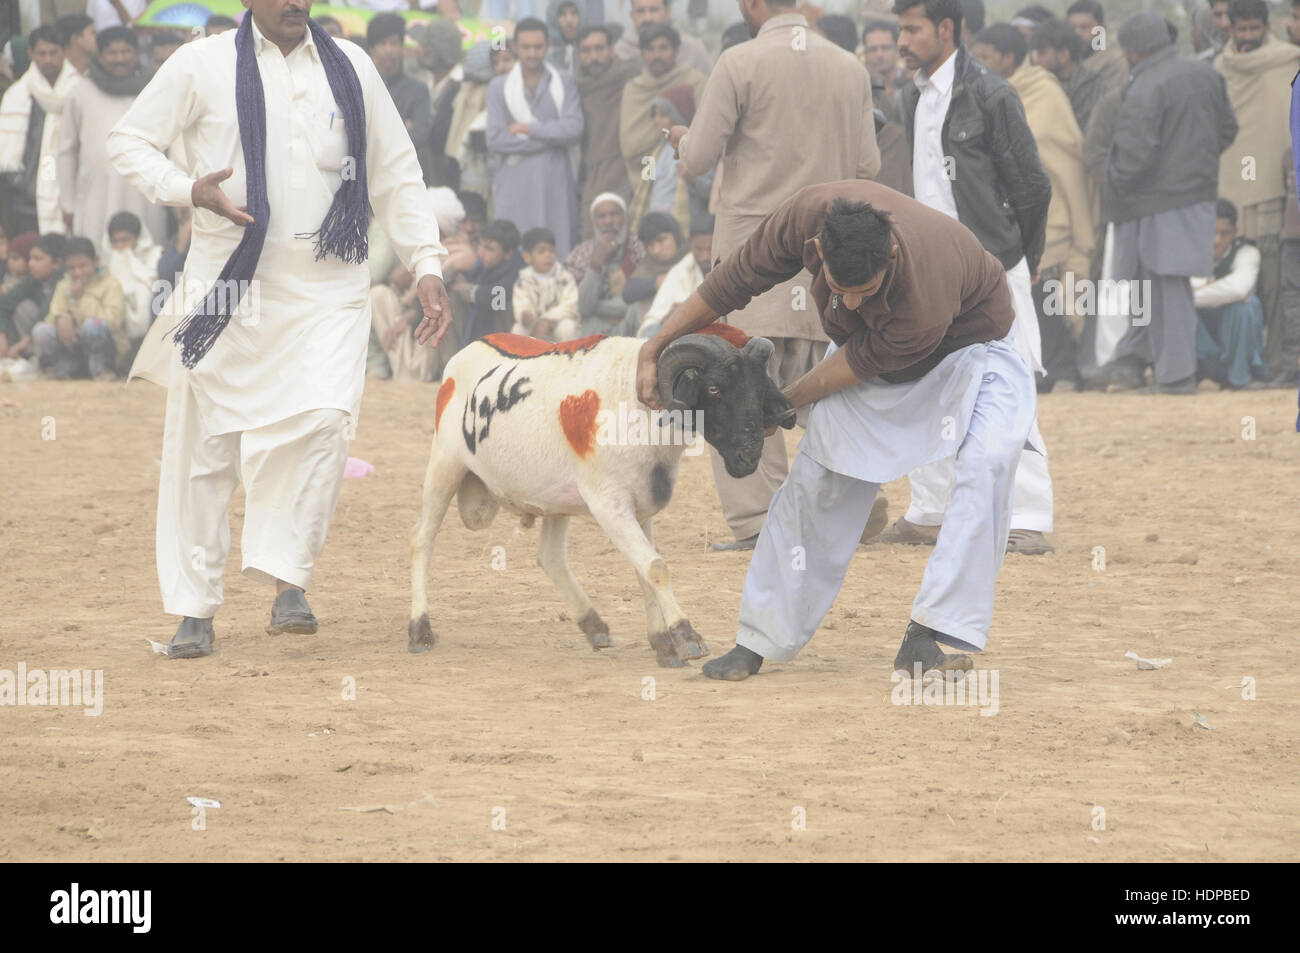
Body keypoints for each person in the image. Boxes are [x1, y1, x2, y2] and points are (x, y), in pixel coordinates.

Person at [106, 1, 453, 659]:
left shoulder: (349, 67)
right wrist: (187, 188)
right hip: (227, 289)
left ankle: (287, 578)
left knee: (324, 422)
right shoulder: (200, 64)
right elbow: (127, 142)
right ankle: (193, 607)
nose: (296, 3)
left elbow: (397, 172)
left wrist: (427, 261)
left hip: (328, 291)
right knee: (207, 451)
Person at [635, 181, 1038, 682]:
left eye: (863, 292)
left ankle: (928, 634)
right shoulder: (804, 216)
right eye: (838, 288)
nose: (846, 300)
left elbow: (860, 364)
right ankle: (757, 639)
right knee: (816, 483)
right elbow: (730, 284)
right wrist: (656, 345)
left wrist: (778, 406)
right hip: (872, 349)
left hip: (973, 353)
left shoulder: (923, 292)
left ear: (890, 256)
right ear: (819, 250)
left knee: (988, 466)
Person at [667, 0, 880, 552]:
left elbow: (698, 159)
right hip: (822, 258)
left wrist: (681, 140)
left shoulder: (739, 62)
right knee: (818, 388)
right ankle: (856, 495)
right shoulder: (849, 67)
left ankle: (759, 521)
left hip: (752, 259)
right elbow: (867, 169)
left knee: (737, 383)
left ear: (752, 5)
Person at [882, 0, 1055, 555]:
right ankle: (931, 511)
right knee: (925, 383)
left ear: (947, 29)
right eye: (900, 28)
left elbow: (1032, 187)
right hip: (927, 271)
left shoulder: (992, 94)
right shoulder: (909, 97)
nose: (902, 40)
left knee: (1012, 381)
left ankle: (1027, 516)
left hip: (993, 269)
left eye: (912, 29)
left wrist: (1013, 259)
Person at [1100, 10, 1238, 394]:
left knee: (1166, 285)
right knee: (1155, 281)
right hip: (1195, 195)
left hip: (1154, 200)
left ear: (1132, 49)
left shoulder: (1146, 84)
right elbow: (1228, 129)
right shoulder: (1206, 74)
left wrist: (1116, 185)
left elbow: (1135, 154)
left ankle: (1176, 377)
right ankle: (1140, 360)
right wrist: (1195, 164)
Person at [973, 22, 1093, 391]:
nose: (979, 62)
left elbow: (1062, 150)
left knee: (1048, 294)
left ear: (1009, 58)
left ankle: (1065, 370)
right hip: (1005, 215)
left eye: (986, 56)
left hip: (1051, 211)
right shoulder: (986, 92)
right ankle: (1033, 373)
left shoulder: (1042, 90)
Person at [1214, 0, 1300, 384]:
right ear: (1229, 28)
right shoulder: (1218, 68)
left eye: (1254, 30)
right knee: (1237, 283)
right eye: (1240, 30)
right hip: (1229, 192)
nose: (1247, 38)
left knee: (1277, 282)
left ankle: (1282, 363)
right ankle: (1243, 365)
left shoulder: (1289, 62)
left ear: (1266, 27)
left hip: (1275, 193)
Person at [58, 26, 168, 252]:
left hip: (145, 193)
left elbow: (173, 141)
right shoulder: (80, 92)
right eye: (112, 52)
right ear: (99, 55)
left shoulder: (154, 89)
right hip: (97, 194)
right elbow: (65, 151)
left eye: (125, 51)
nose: (119, 58)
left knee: (147, 258)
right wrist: (67, 203)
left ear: (136, 54)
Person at [486, 18, 583, 256]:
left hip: (556, 180)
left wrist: (529, 129)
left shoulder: (563, 81)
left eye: (538, 46)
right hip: (514, 183)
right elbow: (496, 139)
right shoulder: (499, 87)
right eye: (525, 47)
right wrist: (551, 139)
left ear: (548, 46)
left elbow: (574, 129)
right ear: (516, 47)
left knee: (557, 248)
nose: (532, 53)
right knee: (517, 250)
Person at [0, 24, 79, 236]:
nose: (48, 59)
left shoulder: (79, 89)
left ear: (64, 51)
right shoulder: (17, 95)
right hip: (27, 191)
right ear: (30, 54)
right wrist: (18, 181)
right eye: (41, 53)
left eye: (53, 52)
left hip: (74, 184)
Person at [618, 23, 705, 193]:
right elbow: (631, 146)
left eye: (663, 48)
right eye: (650, 49)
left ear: (676, 50)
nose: (656, 55)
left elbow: (704, 133)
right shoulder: (634, 89)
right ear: (642, 54)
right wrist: (650, 182)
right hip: (644, 172)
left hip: (688, 179)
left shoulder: (695, 82)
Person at [33, 234, 127, 379]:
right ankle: (63, 370)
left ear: (95, 262)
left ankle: (101, 371)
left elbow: (113, 320)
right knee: (41, 330)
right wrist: (61, 318)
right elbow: (54, 313)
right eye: (72, 268)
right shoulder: (64, 284)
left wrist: (80, 299)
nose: (77, 272)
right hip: (74, 345)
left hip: (103, 347)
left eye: (83, 266)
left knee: (93, 326)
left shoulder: (110, 283)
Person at [574, 24, 638, 236]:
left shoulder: (631, 78)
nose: (593, 56)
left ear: (611, 50)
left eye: (599, 49)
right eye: (586, 50)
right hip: (592, 173)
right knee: (592, 238)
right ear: (578, 54)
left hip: (627, 172)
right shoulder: (575, 87)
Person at [1194, 199, 1265, 389]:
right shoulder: (1189, 255)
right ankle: (1194, 372)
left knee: (1247, 306)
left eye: (1224, 233)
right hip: (1202, 344)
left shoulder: (1247, 253)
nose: (1217, 240)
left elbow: (1239, 289)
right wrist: (1221, 292)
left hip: (1230, 339)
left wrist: (1191, 294)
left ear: (1234, 232)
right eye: (1211, 232)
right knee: (1179, 312)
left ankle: (1239, 377)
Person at [566, 191, 644, 335]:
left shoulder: (639, 247)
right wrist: (595, 264)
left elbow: (640, 300)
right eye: (601, 216)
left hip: (630, 323)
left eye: (614, 214)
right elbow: (582, 308)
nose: (608, 221)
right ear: (594, 222)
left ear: (625, 218)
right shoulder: (582, 252)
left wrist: (597, 306)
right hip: (594, 326)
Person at [409, 17, 464, 188]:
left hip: (451, 179)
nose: (419, 51)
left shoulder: (462, 86)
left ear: (439, 51)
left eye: (425, 47)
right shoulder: (422, 82)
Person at [637, 210, 711, 338]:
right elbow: (649, 333)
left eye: (710, 249)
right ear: (690, 243)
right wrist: (668, 321)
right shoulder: (680, 271)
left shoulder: (735, 270)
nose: (705, 256)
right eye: (699, 249)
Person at [368, 14, 432, 159]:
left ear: (402, 47)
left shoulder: (418, 90)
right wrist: (401, 126)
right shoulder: (362, 86)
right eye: (383, 43)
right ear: (372, 48)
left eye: (394, 43)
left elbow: (419, 135)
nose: (388, 50)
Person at [453, 218, 523, 343]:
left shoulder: (519, 273)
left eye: (489, 248)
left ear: (508, 254)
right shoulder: (486, 266)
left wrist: (465, 289)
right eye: (480, 245)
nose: (480, 253)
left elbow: (496, 299)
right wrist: (455, 268)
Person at [105, 209, 161, 361]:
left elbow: (152, 280)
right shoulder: (111, 260)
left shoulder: (155, 255)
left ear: (138, 239)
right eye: (115, 241)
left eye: (125, 240)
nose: (120, 246)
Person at [1030, 17, 1104, 131]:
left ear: (1063, 55)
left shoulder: (1091, 86)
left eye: (1042, 53)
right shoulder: (1040, 83)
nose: (1035, 60)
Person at [511, 225, 579, 340]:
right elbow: (521, 304)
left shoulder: (565, 278)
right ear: (527, 257)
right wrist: (525, 315)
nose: (548, 255)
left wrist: (547, 319)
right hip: (534, 325)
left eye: (551, 250)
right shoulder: (522, 281)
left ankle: (566, 357)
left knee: (567, 327)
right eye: (541, 251)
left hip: (558, 322)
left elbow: (569, 306)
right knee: (518, 329)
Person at [613, 0, 712, 75]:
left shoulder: (693, 50)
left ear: (667, 13)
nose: (648, 18)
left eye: (654, 10)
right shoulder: (620, 53)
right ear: (632, 15)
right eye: (640, 11)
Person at [0, 231, 48, 359]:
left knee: (23, 306)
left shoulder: (42, 279)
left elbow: (46, 310)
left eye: (16, 259)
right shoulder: (22, 280)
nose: (10, 263)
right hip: (24, 337)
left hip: (43, 336)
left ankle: (31, 354)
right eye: (9, 258)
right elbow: (3, 303)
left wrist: (24, 342)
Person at [1065, 0, 1128, 96]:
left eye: (1084, 27)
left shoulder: (1116, 63)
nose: (1077, 34)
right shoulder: (1064, 61)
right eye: (1072, 28)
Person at [863, 19, 905, 119]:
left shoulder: (912, 85)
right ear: (865, 53)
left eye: (885, 48)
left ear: (897, 50)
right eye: (873, 49)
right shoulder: (861, 88)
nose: (879, 54)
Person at [547, 0, 584, 73]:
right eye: (562, 14)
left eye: (574, 13)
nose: (569, 20)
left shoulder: (591, 53)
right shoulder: (546, 58)